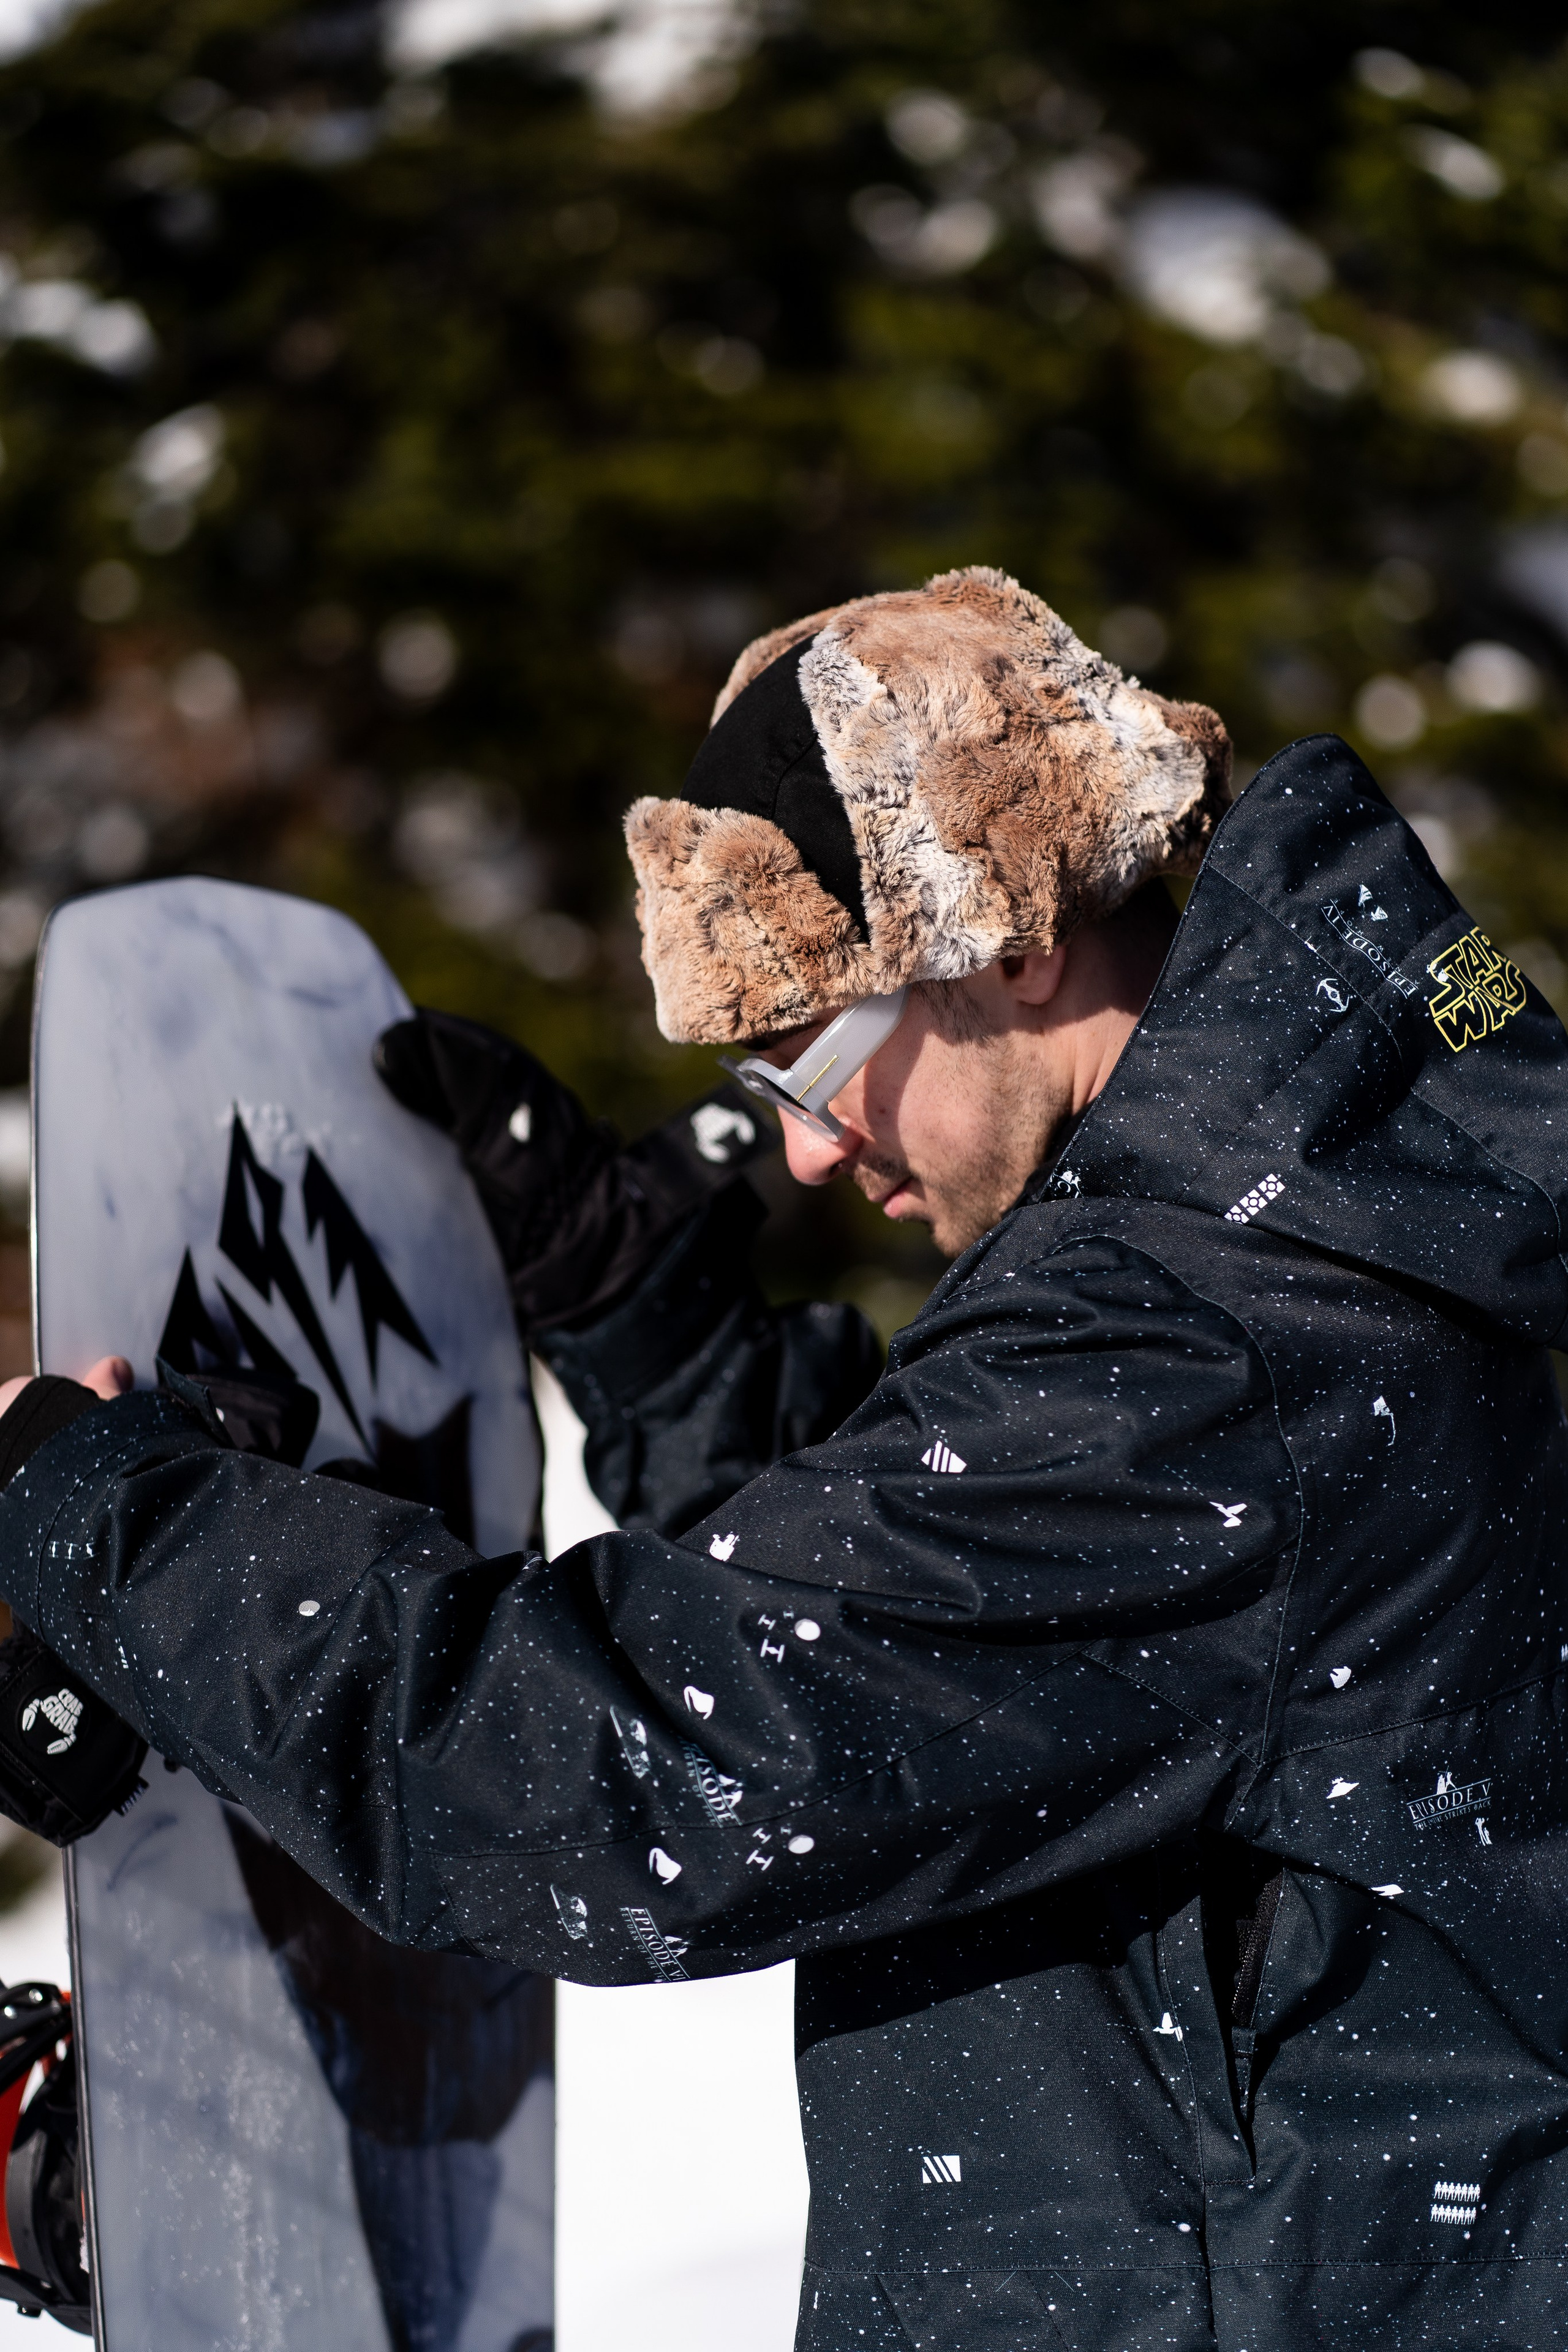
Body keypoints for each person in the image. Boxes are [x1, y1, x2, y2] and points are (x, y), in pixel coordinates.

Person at [0, 561, 1566, 2350]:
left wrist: (103, 1512)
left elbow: (632, 1777)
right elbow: (966, 1635)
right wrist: (646, 1313)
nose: (811, 1153)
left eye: (815, 1054)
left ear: (1012, 935)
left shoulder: (1194, 1350)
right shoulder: (1274, 1271)